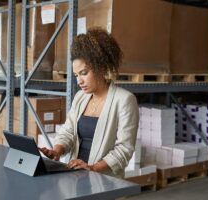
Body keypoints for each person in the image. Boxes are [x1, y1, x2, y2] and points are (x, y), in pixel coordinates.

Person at [40, 27, 139, 178]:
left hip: (104, 180)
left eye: (84, 73)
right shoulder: (80, 97)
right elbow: (68, 131)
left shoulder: (124, 100)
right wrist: (57, 151)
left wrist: (92, 168)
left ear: (100, 67)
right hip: (74, 175)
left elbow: (124, 149)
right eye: (76, 75)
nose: (79, 81)